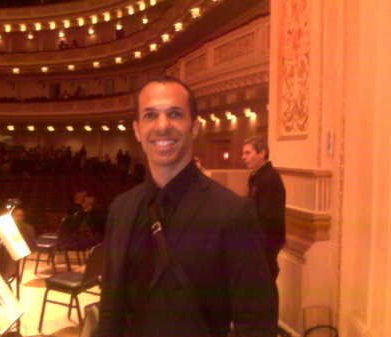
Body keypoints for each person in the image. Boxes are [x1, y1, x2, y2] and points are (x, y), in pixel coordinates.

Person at [97, 76, 277, 337]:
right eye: (150, 115)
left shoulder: (233, 213)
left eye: (175, 114)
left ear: (194, 127)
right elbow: (110, 307)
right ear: (137, 130)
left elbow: (257, 324)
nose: (162, 126)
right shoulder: (121, 208)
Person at [242, 136, 286, 281]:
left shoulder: (270, 178)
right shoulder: (256, 176)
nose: (243, 157)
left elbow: (268, 216)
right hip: (257, 240)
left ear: (261, 154)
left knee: (266, 284)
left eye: (248, 153)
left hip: (266, 241)